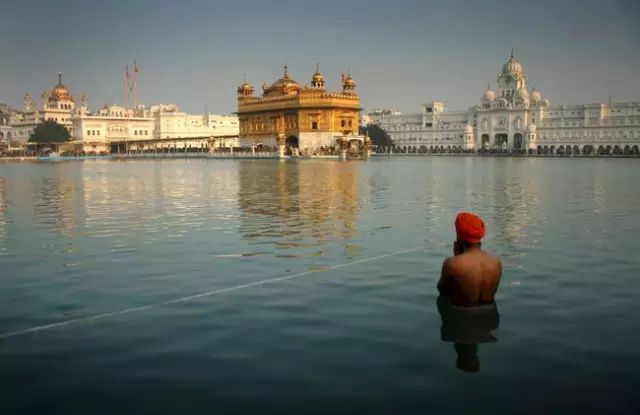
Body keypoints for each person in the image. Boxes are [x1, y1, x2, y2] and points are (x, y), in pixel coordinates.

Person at [437, 212, 502, 306]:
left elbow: (442, 291)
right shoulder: (496, 262)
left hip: (461, 316)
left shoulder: (452, 264)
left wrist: (457, 257)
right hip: (490, 314)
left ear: (459, 237)